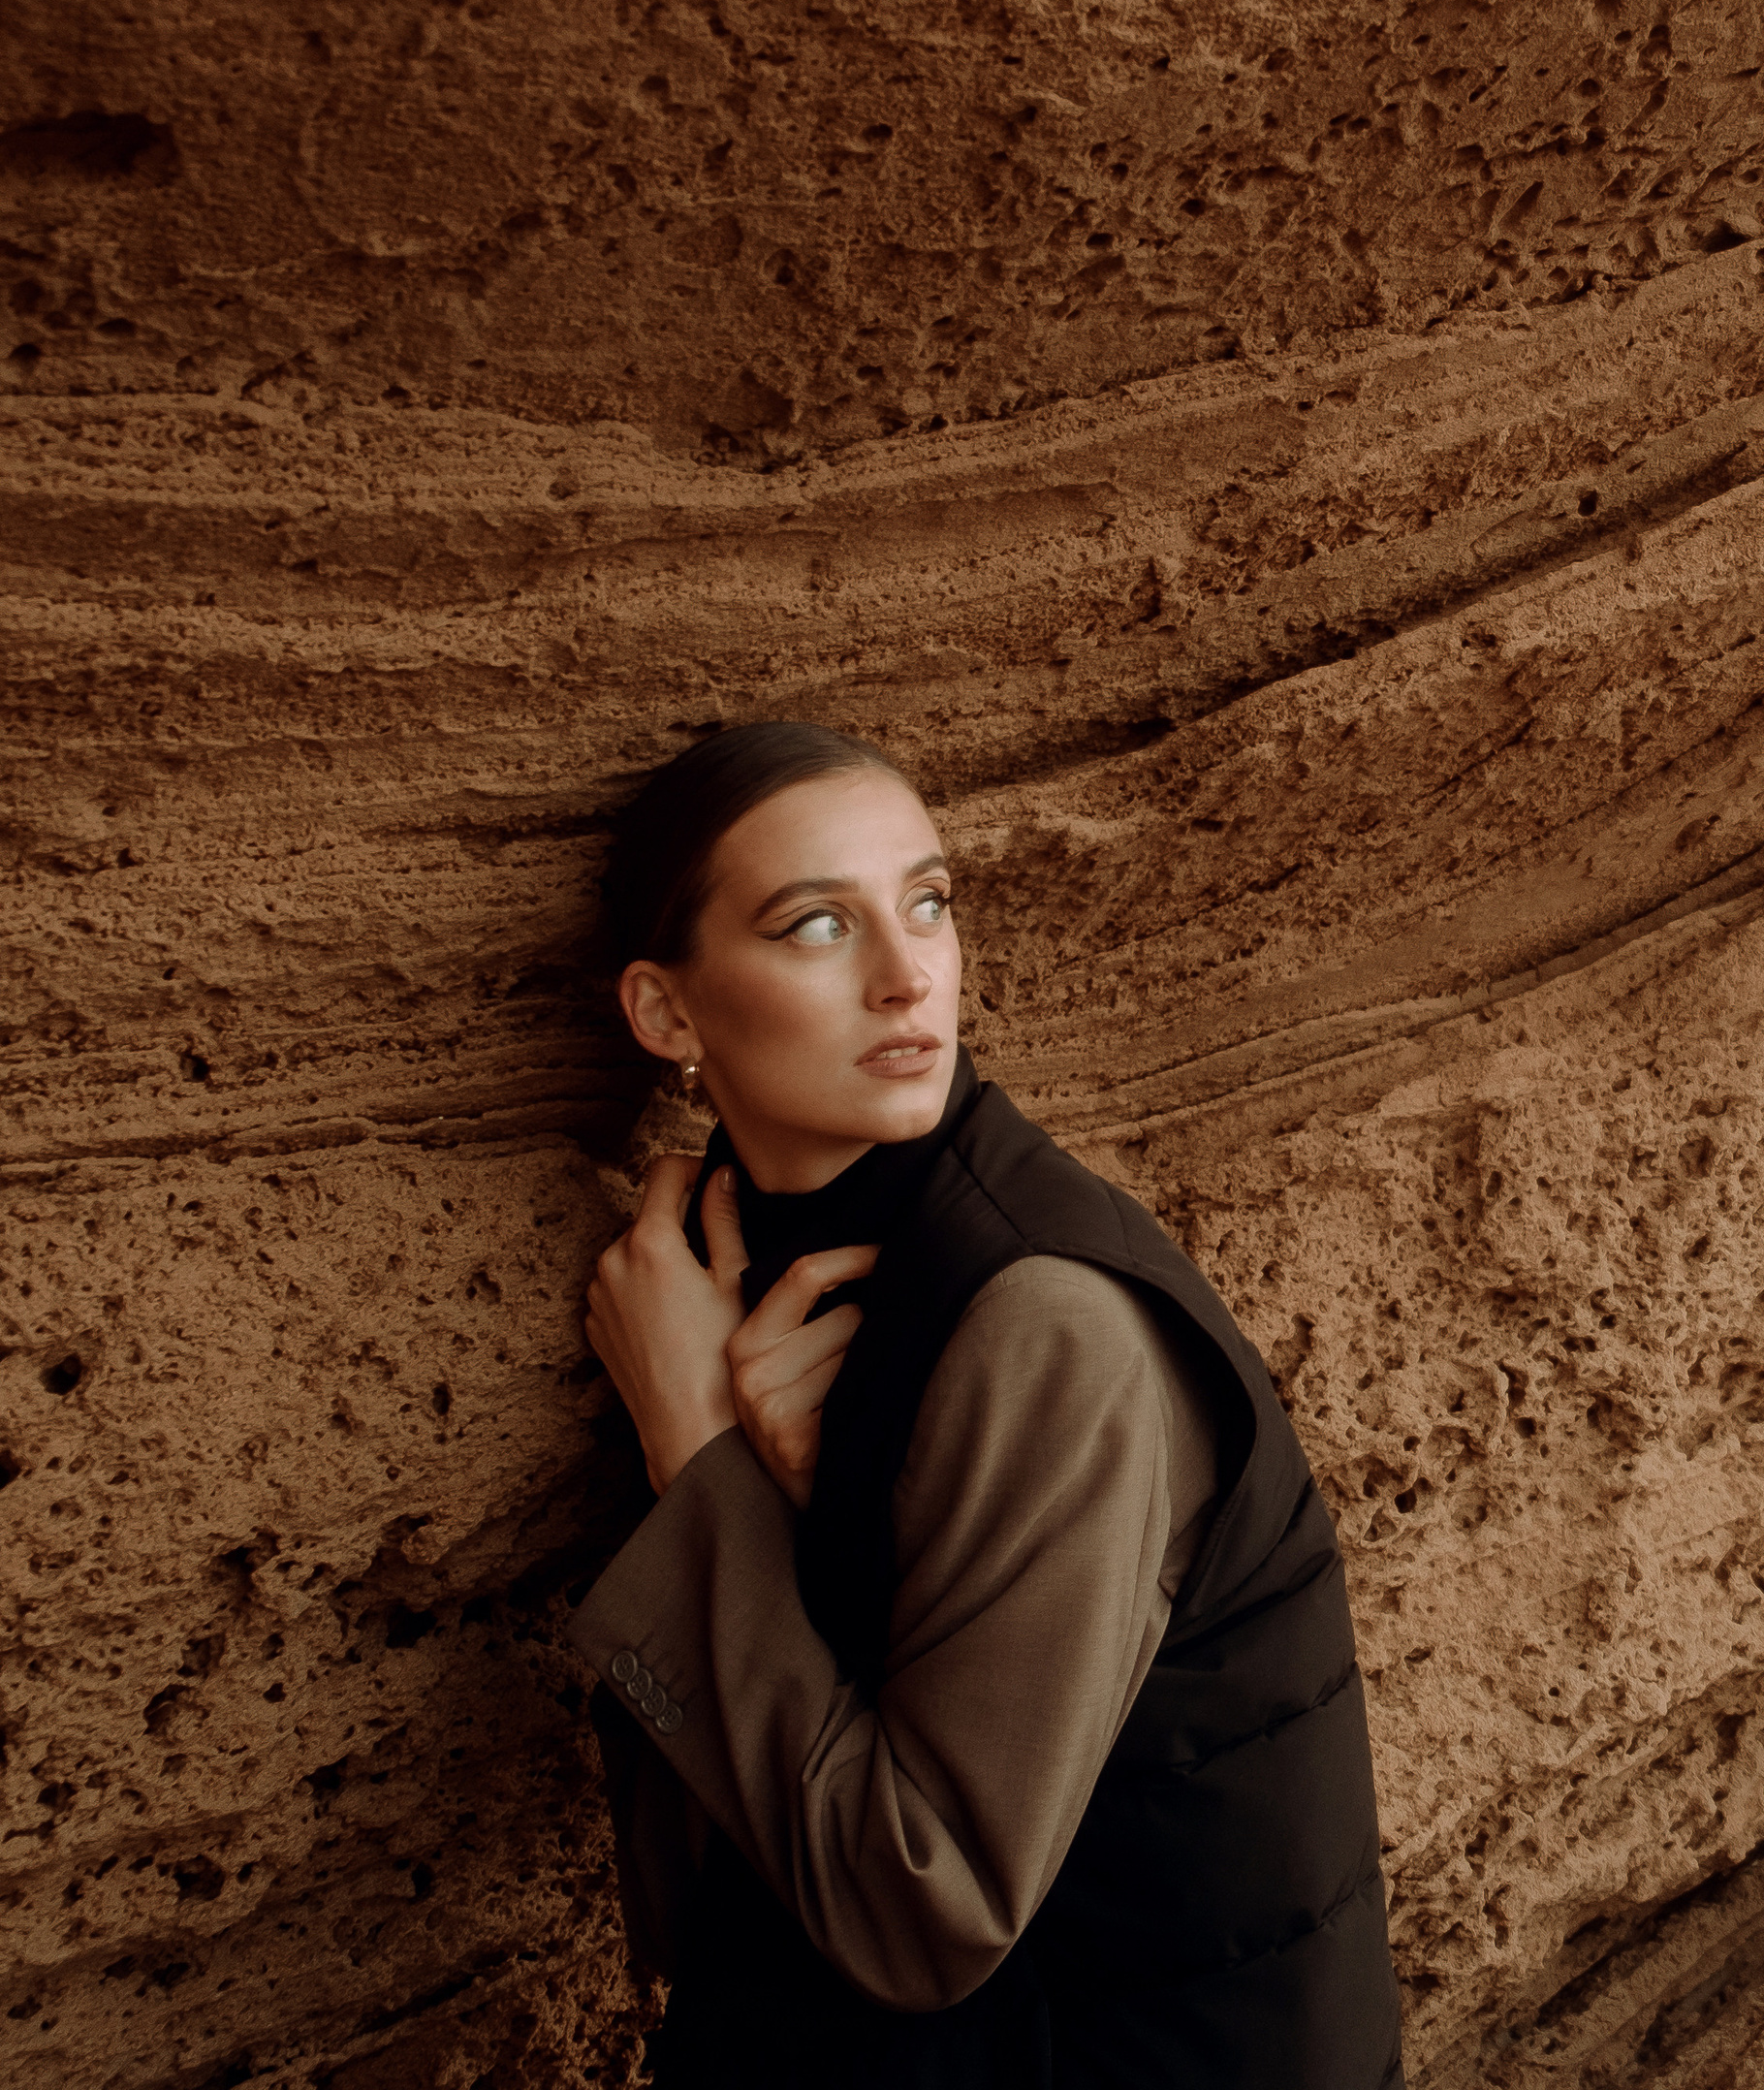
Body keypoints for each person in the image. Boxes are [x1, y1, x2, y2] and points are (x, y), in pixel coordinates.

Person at [574, 718, 1404, 2088]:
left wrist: (702, 1457)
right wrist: (811, 1516)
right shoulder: (771, 1274)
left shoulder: (1048, 1323)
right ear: (667, 1014)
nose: (910, 977)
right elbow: (708, 1884)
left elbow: (921, 1907)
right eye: (815, 926)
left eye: (929, 902)